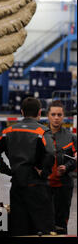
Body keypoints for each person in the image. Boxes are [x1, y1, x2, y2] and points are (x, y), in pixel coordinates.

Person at [0, 97, 55, 236]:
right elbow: (51, 153)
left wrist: (5, 169)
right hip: (36, 185)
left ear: (21, 112)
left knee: (19, 226)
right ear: (40, 112)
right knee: (41, 227)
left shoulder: (8, 131)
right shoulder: (42, 131)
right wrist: (44, 172)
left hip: (16, 184)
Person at [46, 100, 77, 234]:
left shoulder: (71, 137)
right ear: (48, 116)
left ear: (63, 116)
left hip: (64, 188)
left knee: (61, 222)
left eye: (59, 114)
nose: (56, 118)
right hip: (44, 186)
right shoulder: (41, 135)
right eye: (53, 114)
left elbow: (76, 159)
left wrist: (67, 166)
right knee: (46, 221)